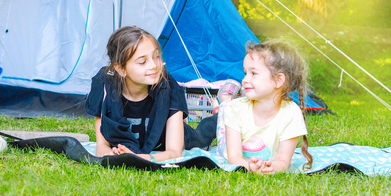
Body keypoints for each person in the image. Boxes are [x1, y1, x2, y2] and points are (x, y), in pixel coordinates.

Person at [85, 26, 217, 162]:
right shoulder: (104, 84)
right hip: (131, 145)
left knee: (202, 136)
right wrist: (113, 155)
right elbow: (101, 146)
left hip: (176, 139)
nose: (153, 65)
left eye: (157, 57)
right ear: (120, 69)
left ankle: (221, 111)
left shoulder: (169, 86)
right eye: (142, 62)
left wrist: (141, 158)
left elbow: (174, 152)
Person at [217, 40, 313, 173]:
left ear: (278, 80)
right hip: (227, 132)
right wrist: (248, 167)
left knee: (246, 95)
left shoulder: (291, 113)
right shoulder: (233, 109)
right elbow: (234, 157)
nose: (245, 79)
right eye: (245, 73)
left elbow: (283, 161)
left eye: (253, 73)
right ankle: (225, 99)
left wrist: (271, 168)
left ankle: (245, 93)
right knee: (224, 111)